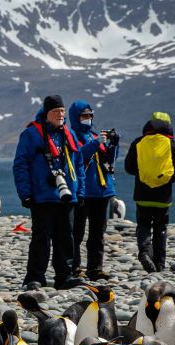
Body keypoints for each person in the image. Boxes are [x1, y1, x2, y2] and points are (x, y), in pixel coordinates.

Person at [13, 95, 86, 290]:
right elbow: (20, 165)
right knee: (41, 238)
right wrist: (25, 193)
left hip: (66, 195)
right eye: (56, 112)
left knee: (66, 237)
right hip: (42, 196)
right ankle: (35, 277)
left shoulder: (68, 134)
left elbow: (78, 164)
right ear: (46, 114)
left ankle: (65, 276)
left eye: (62, 111)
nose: (60, 115)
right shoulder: (31, 135)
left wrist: (80, 191)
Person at [124, 112, 175, 273]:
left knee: (143, 225)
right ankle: (159, 264)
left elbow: (129, 168)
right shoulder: (173, 144)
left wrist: (144, 175)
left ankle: (144, 252)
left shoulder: (138, 142)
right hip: (163, 196)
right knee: (161, 228)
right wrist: (165, 179)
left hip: (142, 194)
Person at [68, 101, 118, 280]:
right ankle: (74, 267)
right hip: (84, 191)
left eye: (90, 116)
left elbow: (108, 162)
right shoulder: (72, 136)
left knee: (97, 232)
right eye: (84, 116)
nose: (88, 119)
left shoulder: (94, 135)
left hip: (101, 191)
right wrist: (95, 144)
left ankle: (95, 268)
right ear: (75, 117)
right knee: (77, 232)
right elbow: (77, 157)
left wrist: (113, 146)